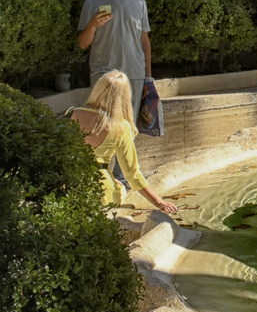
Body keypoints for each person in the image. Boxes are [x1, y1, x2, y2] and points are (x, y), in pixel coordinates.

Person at [66, 71, 177, 213]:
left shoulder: (73, 114)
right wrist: (159, 202)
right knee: (120, 188)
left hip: (70, 183)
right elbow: (132, 174)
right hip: (100, 188)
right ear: (124, 97)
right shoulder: (121, 127)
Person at [77, 0, 160, 135]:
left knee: (130, 130)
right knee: (103, 128)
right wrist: (92, 25)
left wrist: (148, 77)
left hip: (134, 75)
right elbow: (82, 44)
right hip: (103, 74)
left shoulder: (139, 2)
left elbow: (144, 41)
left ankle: (126, 164)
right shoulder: (93, 2)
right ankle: (105, 164)